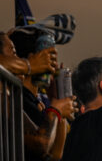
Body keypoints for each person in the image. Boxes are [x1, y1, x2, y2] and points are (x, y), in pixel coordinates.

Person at [0, 30, 78, 161]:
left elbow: (53, 154)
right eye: (13, 53)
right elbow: (40, 144)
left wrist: (59, 107)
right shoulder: (20, 97)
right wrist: (55, 111)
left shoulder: (8, 99)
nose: (19, 58)